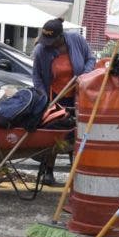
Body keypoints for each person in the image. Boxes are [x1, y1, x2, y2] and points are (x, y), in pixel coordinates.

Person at [31, 18, 95, 185]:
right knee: (54, 136)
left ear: (61, 36)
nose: (48, 44)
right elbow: (36, 76)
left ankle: (75, 174)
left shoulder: (77, 40)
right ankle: (48, 172)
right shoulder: (41, 50)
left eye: (52, 40)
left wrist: (82, 77)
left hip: (77, 98)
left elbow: (91, 59)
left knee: (74, 135)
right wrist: (44, 97)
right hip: (54, 99)